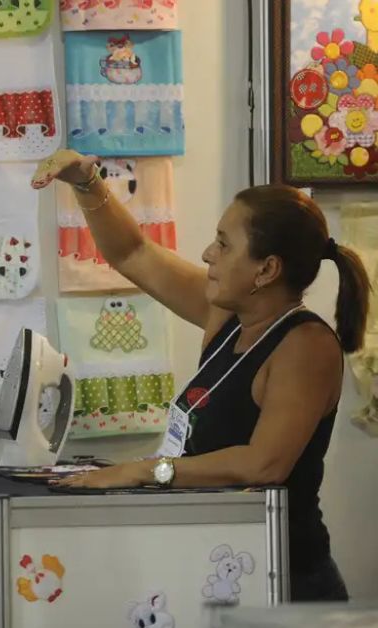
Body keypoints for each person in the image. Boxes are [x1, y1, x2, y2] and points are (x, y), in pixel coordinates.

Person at [33, 149, 368, 602]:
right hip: (221, 564)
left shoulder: (306, 346)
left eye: (224, 244)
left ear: (266, 270)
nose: (208, 253)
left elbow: (264, 464)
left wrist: (145, 471)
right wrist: (87, 181)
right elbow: (132, 252)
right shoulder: (227, 315)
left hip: (285, 582)